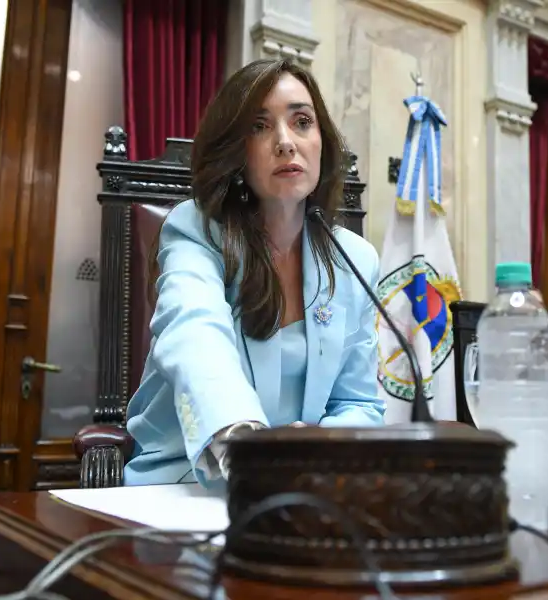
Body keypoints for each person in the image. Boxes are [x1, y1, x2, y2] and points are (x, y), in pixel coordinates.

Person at [124, 59, 385, 488]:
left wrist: (322, 445)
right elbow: (195, 332)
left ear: (323, 143)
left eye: (302, 121)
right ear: (236, 153)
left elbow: (358, 402)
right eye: (260, 127)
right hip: (185, 484)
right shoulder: (195, 230)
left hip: (301, 489)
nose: (286, 142)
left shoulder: (354, 257)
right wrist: (252, 451)